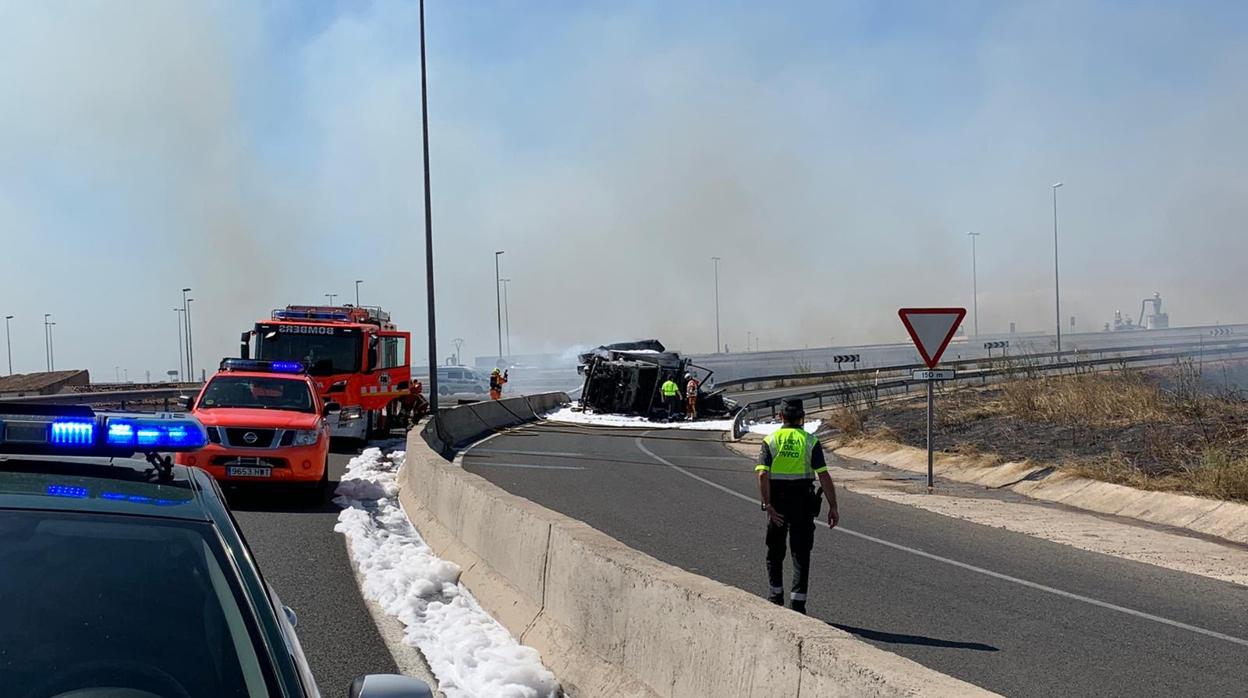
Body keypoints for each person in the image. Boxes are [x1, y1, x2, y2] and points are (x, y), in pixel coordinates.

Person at [755, 398, 839, 614]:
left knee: (775, 551)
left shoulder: (771, 440)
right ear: (802, 418)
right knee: (800, 554)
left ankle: (775, 597)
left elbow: (763, 474)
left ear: (781, 417)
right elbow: (824, 475)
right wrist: (833, 506)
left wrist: (768, 504)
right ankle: (798, 605)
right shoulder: (810, 441)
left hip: (778, 504)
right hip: (803, 503)